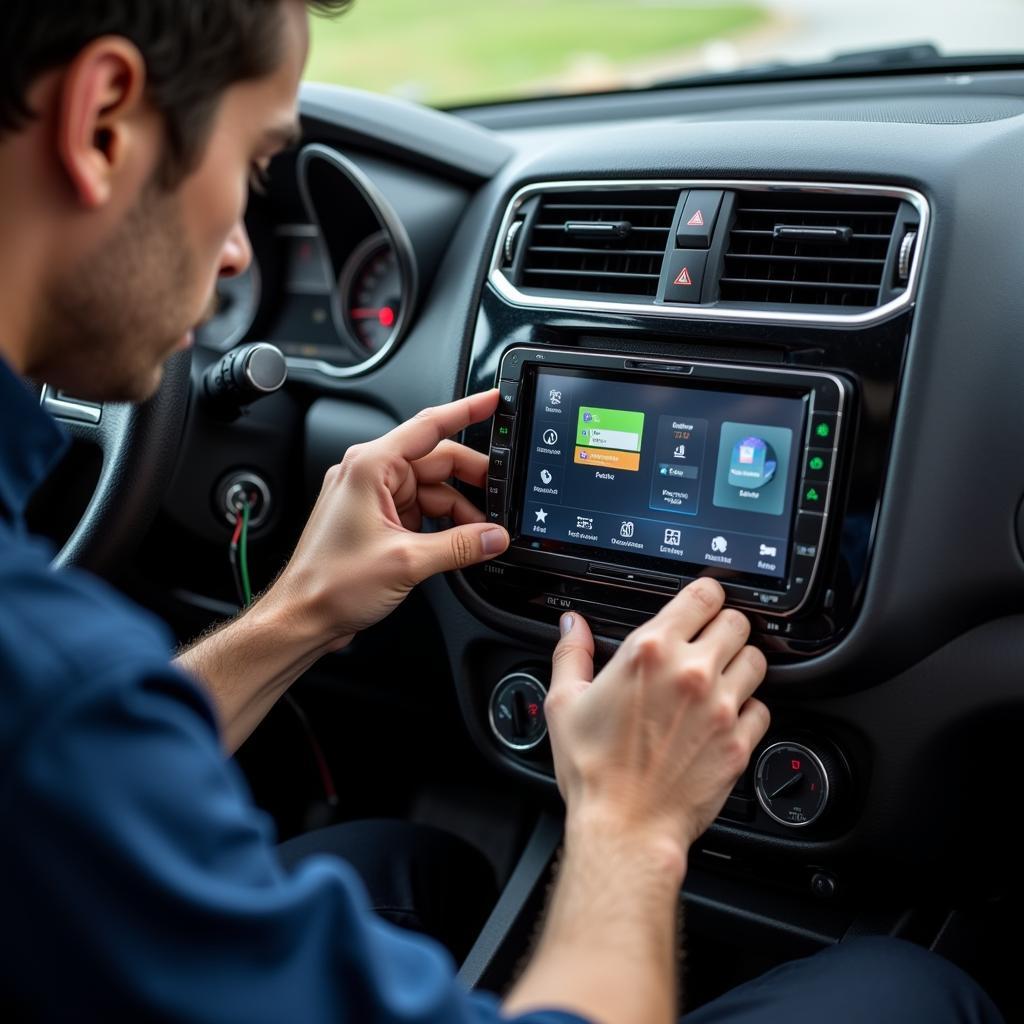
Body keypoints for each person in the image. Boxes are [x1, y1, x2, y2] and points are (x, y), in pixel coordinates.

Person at [0, 2, 1004, 1022]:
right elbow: (63, 740)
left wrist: (300, 610)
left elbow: (65, 793)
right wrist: (629, 823)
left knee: (413, 870)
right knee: (910, 990)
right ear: (103, 123)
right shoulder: (50, 683)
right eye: (255, 168)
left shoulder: (46, 689)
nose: (235, 260)